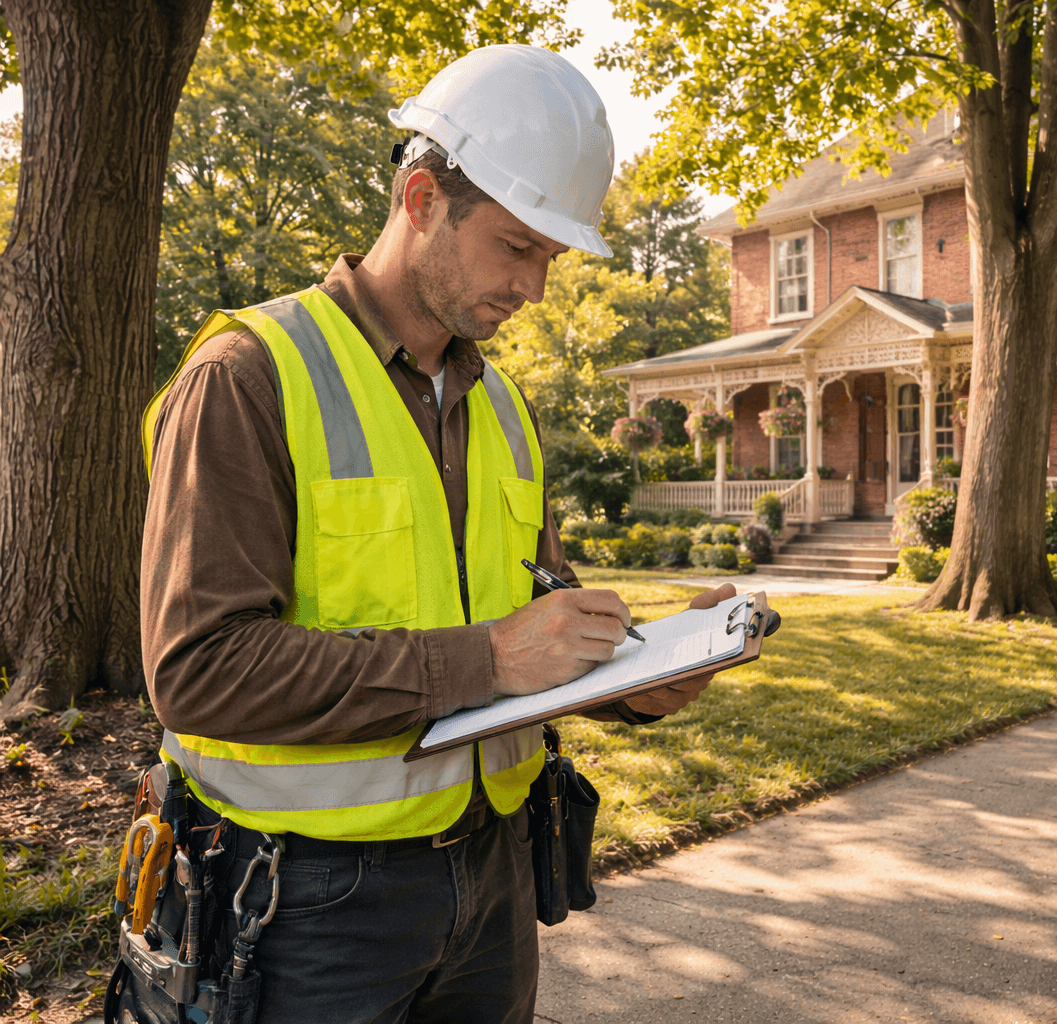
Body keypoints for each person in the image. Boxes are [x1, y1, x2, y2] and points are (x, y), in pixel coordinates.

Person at [138, 45, 730, 1024]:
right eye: (517, 246)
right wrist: (488, 659)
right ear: (421, 199)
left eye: (551, 255)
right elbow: (200, 669)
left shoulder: (503, 410)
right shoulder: (249, 377)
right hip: (307, 910)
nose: (535, 287)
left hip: (493, 889)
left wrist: (639, 677)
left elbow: (542, 620)